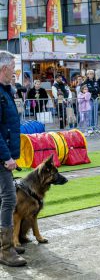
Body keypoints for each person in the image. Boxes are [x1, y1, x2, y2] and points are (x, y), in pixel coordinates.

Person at [0, 51, 27, 266]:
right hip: (2, 157)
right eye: (13, 68)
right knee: (9, 199)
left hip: (4, 155)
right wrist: (7, 157)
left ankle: (7, 245)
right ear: (3, 68)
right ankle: (6, 250)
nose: (15, 72)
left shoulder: (6, 91)